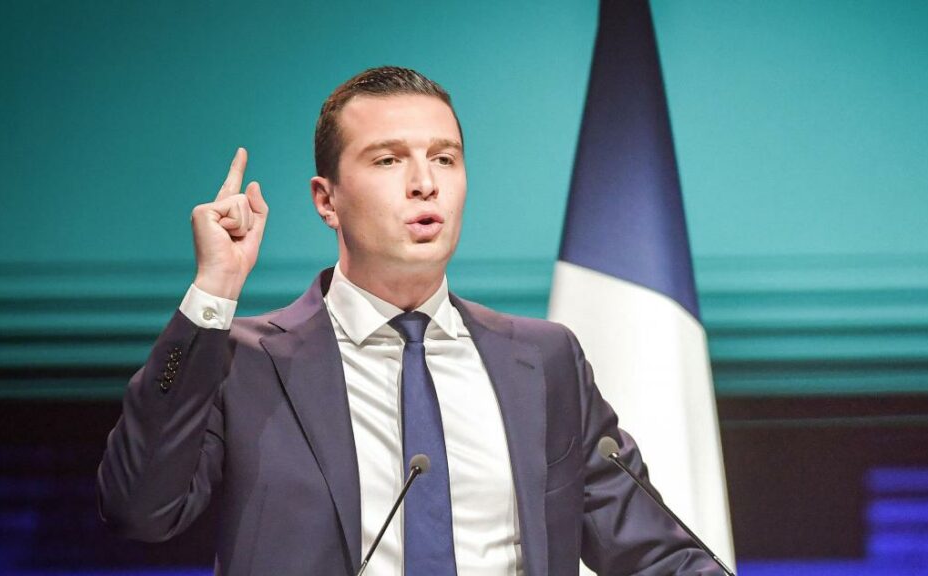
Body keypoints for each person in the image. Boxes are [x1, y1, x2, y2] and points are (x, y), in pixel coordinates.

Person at [97, 66, 722, 576]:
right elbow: (140, 509)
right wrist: (214, 289)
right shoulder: (246, 362)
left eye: (444, 158)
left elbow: (656, 555)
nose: (425, 183)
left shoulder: (544, 361)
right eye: (388, 160)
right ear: (326, 200)